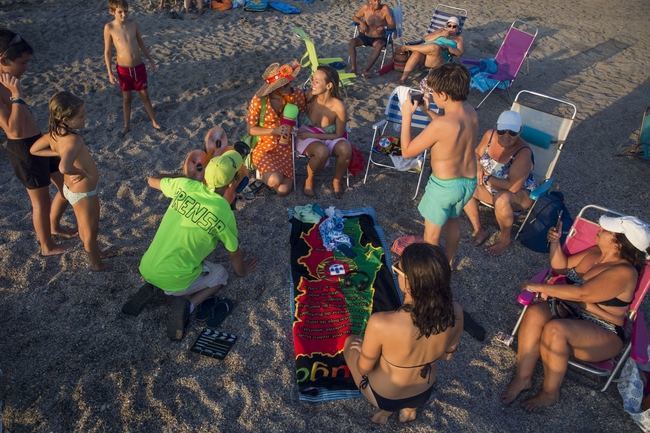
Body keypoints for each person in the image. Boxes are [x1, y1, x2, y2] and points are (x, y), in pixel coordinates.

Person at [502, 215, 650, 410]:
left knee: (556, 330)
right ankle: (523, 378)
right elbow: (561, 268)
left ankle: (549, 393)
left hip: (603, 331)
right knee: (536, 312)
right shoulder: (595, 252)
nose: (600, 228)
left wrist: (540, 288)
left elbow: (582, 294)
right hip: (572, 311)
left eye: (606, 230)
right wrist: (555, 243)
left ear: (618, 242)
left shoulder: (624, 272)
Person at [132, 150, 256, 340]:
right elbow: (234, 253)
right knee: (221, 274)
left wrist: (186, 177)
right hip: (175, 280)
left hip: (145, 267)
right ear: (231, 184)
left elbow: (151, 180)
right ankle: (188, 305)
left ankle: (156, 284)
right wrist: (243, 271)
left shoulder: (186, 186)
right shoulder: (223, 213)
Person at [344, 243, 463, 424]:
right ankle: (409, 410)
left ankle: (385, 411)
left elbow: (364, 368)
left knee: (350, 343)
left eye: (397, 269)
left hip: (385, 396)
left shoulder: (381, 322)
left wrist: (363, 350)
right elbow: (447, 356)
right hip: (424, 391)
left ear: (407, 281)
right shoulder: (456, 312)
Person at [0, 30, 74, 256]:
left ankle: (54, 226)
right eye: (22, 63)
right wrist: (16, 95)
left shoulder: (9, 80)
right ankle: (46, 245)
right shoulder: (6, 88)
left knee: (67, 187)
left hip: (39, 141)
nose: (26, 68)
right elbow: (12, 128)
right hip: (22, 149)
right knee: (40, 202)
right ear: (3, 61)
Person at [400, 63, 478, 265]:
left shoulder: (440, 125)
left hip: (443, 188)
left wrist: (407, 116)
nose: (432, 96)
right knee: (453, 222)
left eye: (433, 93)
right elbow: (450, 133)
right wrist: (428, 112)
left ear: (443, 95)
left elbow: (407, 151)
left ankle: (431, 273)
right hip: (467, 183)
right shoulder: (471, 112)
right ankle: (449, 262)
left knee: (431, 236)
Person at [30, 92, 106, 271]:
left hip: (72, 189)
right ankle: (96, 264)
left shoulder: (54, 134)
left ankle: (95, 252)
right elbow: (64, 168)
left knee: (88, 227)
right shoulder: (74, 140)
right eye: (80, 116)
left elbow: (34, 149)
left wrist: (57, 152)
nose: (84, 119)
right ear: (65, 118)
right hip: (84, 193)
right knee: (89, 230)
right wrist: (80, 171)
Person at [463, 110, 535, 255]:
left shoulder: (523, 152)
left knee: (502, 199)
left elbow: (513, 186)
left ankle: (505, 239)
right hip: (490, 187)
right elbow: (476, 153)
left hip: (519, 195)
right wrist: (478, 167)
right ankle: (478, 229)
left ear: (520, 132)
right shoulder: (490, 135)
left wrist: (487, 178)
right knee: (463, 183)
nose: (506, 136)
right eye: (502, 131)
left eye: (512, 133)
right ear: (497, 127)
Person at [246, 61, 305, 196]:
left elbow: (308, 107)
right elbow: (250, 130)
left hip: (286, 147)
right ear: (274, 87)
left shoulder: (295, 95)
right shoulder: (259, 100)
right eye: (285, 84)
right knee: (275, 180)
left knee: (283, 191)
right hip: (264, 146)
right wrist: (274, 131)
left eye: (289, 82)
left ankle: (266, 180)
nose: (290, 86)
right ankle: (267, 177)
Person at [104, 0, 161, 135]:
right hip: (123, 70)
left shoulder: (133, 24)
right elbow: (107, 52)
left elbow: (141, 44)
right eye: (120, 12)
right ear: (112, 12)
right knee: (126, 98)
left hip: (138, 67)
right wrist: (110, 72)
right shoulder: (109, 27)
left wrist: (151, 60)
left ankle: (154, 121)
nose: (124, 15)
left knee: (145, 95)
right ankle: (126, 125)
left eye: (126, 11)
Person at [295, 66, 351, 198]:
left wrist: (313, 135)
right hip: (305, 134)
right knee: (321, 152)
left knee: (345, 149)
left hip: (327, 135)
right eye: (312, 80)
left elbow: (338, 134)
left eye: (317, 81)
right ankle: (309, 180)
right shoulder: (308, 97)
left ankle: (336, 180)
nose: (312, 84)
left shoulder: (338, 106)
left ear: (329, 85)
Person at [398, 16, 464, 84]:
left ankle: (408, 47)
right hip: (425, 54)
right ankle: (403, 78)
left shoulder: (458, 39)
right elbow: (425, 39)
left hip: (439, 60)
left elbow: (460, 53)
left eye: (454, 26)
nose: (451, 28)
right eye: (449, 25)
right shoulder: (440, 31)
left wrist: (449, 48)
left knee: (435, 47)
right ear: (446, 26)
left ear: (458, 28)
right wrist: (440, 34)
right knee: (416, 53)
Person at [348, 0, 395, 78]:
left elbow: (393, 25)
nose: (377, 3)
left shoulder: (385, 9)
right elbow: (354, 17)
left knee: (380, 45)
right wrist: (361, 22)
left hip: (379, 38)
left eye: (379, 0)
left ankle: (366, 70)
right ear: (370, 1)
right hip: (365, 36)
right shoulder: (365, 8)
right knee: (352, 42)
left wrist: (384, 27)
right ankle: (353, 68)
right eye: (375, 0)